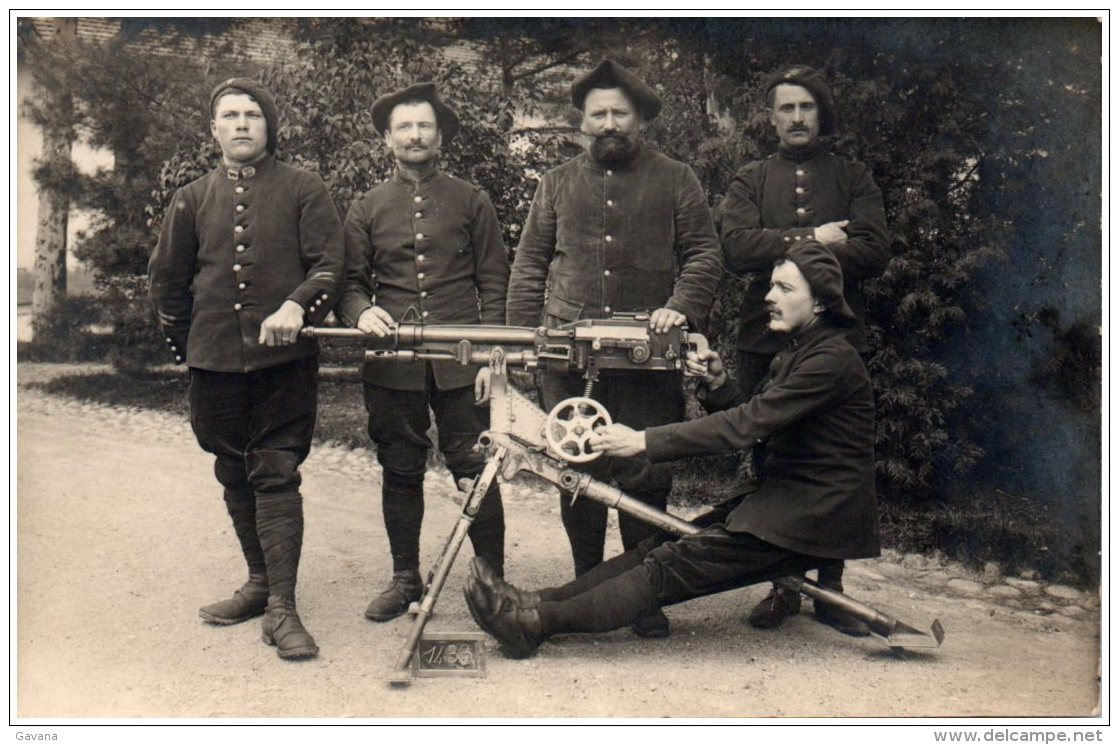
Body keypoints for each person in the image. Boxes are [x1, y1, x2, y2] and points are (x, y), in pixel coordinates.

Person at [463, 239, 880, 660]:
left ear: (822, 302)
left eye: (785, 289)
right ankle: (532, 601)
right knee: (657, 550)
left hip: (814, 516)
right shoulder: (804, 352)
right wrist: (718, 385)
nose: (769, 297)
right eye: (771, 286)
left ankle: (532, 626)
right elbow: (756, 418)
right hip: (787, 503)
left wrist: (642, 441)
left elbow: (745, 427)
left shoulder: (830, 361)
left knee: (674, 566)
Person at [505, 59, 723, 639]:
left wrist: (681, 307)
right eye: (597, 114)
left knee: (644, 473)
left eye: (618, 114)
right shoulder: (554, 183)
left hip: (646, 360)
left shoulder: (677, 179)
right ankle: (585, 585)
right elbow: (529, 266)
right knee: (575, 471)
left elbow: (705, 255)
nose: (608, 124)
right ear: (582, 122)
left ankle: (639, 597)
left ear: (641, 120)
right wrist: (524, 345)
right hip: (566, 357)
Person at [149, 78, 344, 659]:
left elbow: (330, 265)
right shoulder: (189, 198)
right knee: (232, 468)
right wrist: (194, 348)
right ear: (213, 130)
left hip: (283, 362)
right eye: (229, 116)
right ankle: (259, 584)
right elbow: (168, 282)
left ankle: (283, 609)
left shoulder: (305, 189)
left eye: (252, 115)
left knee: (276, 469)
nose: (240, 124)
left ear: (268, 126)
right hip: (215, 363)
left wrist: (295, 305)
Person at [718, 64, 891, 635]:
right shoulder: (751, 177)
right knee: (770, 453)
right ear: (771, 119)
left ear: (821, 115)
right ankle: (782, 585)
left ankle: (832, 588)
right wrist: (817, 238)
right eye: (786, 108)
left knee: (830, 459)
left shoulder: (852, 175)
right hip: (761, 337)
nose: (796, 118)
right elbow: (737, 247)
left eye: (806, 108)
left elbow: (873, 250)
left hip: (831, 336)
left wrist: (786, 251)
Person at [336, 83, 510, 623]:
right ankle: (405, 577)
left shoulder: (471, 200)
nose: (415, 135)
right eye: (404, 127)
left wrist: (492, 357)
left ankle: (493, 582)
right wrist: (361, 311)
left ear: (440, 136)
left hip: (463, 360)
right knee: (400, 466)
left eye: (424, 126)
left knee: (477, 466)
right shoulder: (366, 207)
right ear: (387, 139)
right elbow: (347, 282)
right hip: (393, 364)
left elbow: (496, 283)